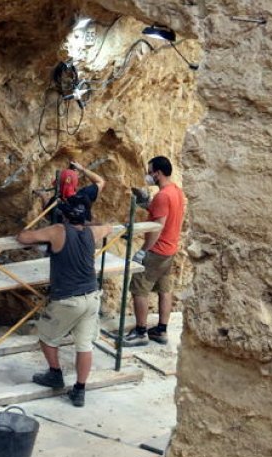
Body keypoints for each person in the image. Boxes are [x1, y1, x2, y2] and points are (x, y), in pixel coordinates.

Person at [16, 197, 114, 407]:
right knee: (84, 345)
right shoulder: (91, 232)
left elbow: (24, 237)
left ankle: (55, 374)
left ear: (65, 215)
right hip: (92, 296)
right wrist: (91, 223)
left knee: (46, 336)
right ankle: (79, 390)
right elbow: (108, 227)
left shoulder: (58, 231)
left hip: (68, 299)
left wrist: (28, 226)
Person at [124, 156, 186, 346]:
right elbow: (166, 214)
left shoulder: (163, 196)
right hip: (170, 248)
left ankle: (141, 331)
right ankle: (161, 330)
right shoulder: (176, 191)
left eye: (150, 172)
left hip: (157, 250)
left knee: (138, 288)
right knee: (164, 289)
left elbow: (157, 227)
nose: (148, 175)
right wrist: (149, 205)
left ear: (158, 173)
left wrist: (143, 251)